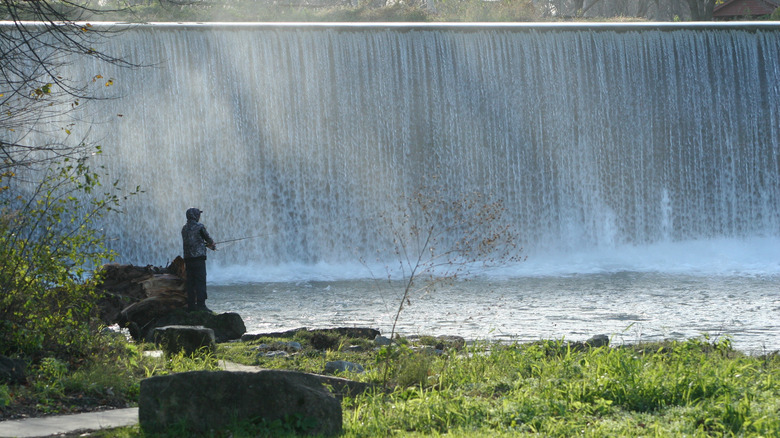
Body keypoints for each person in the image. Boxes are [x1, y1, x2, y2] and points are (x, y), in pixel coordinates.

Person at [181, 207, 216, 312]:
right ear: (195, 216)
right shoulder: (200, 226)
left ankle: (191, 306)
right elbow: (208, 239)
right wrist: (212, 245)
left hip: (188, 259)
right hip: (199, 259)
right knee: (200, 281)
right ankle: (201, 305)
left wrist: (205, 244)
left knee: (190, 283)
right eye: (198, 214)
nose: (199, 216)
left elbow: (192, 241)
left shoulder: (184, 228)